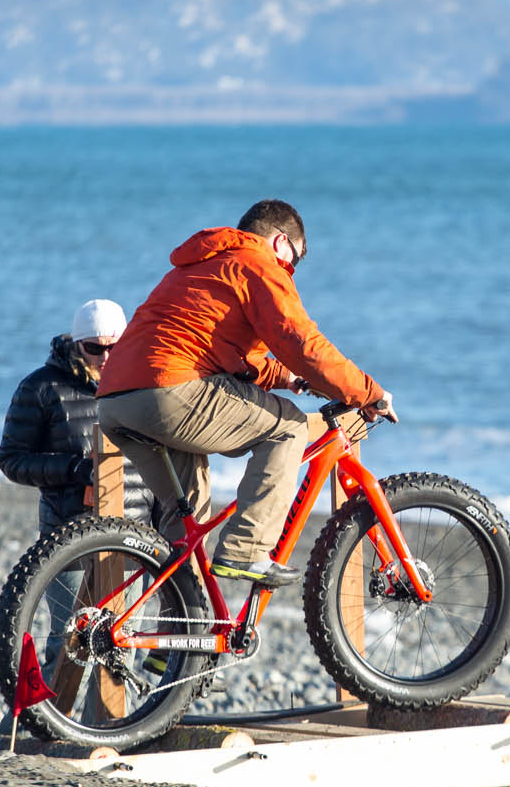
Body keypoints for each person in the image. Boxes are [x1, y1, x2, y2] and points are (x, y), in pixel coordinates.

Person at [97, 199, 390, 588]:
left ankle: (180, 643)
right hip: (169, 388)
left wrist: (287, 377)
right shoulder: (258, 264)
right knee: (288, 426)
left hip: (116, 401)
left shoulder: (206, 264)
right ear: (281, 243)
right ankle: (246, 549)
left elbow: (224, 351)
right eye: (295, 261)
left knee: (185, 530)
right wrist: (368, 392)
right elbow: (301, 342)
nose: (291, 271)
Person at [0, 298, 155, 534]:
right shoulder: (40, 387)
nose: (105, 358)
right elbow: (11, 460)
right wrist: (75, 469)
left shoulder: (145, 384)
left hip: (134, 533)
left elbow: (163, 460)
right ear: (77, 343)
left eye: (114, 347)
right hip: (68, 537)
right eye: (94, 348)